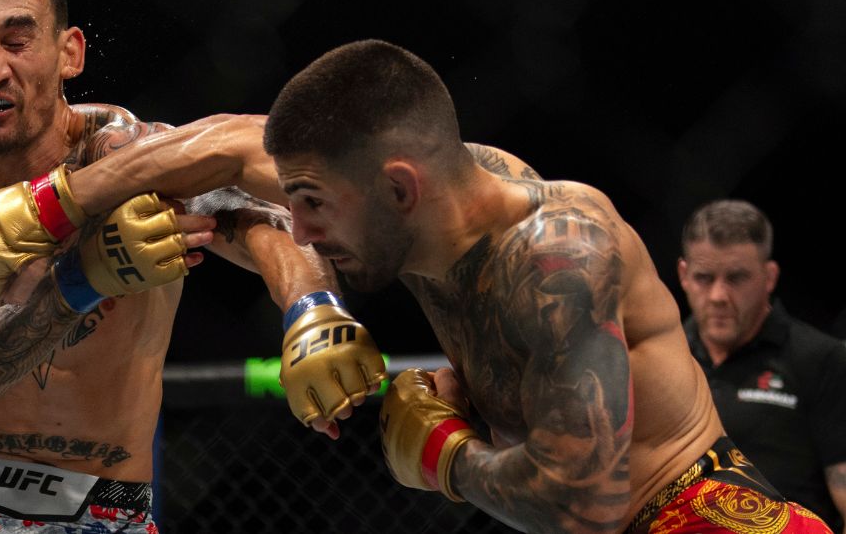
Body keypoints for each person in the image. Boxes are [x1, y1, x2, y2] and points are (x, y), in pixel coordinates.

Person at [0, 0, 384, 533]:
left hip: (108, 512)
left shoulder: (136, 156)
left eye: (16, 41)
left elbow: (263, 217)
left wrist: (309, 307)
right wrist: (80, 282)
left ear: (69, 54)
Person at [262, 39, 832, 533]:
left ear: (400, 191)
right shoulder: (410, 220)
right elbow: (223, 154)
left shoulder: (560, 255)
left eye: (312, 204)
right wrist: (310, 306)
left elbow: (583, 506)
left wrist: (441, 452)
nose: (303, 231)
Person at [677, 199, 846, 532]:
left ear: (769, 277)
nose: (718, 296)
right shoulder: (663, 359)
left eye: (736, 278)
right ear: (683, 274)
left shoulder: (820, 359)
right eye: (704, 278)